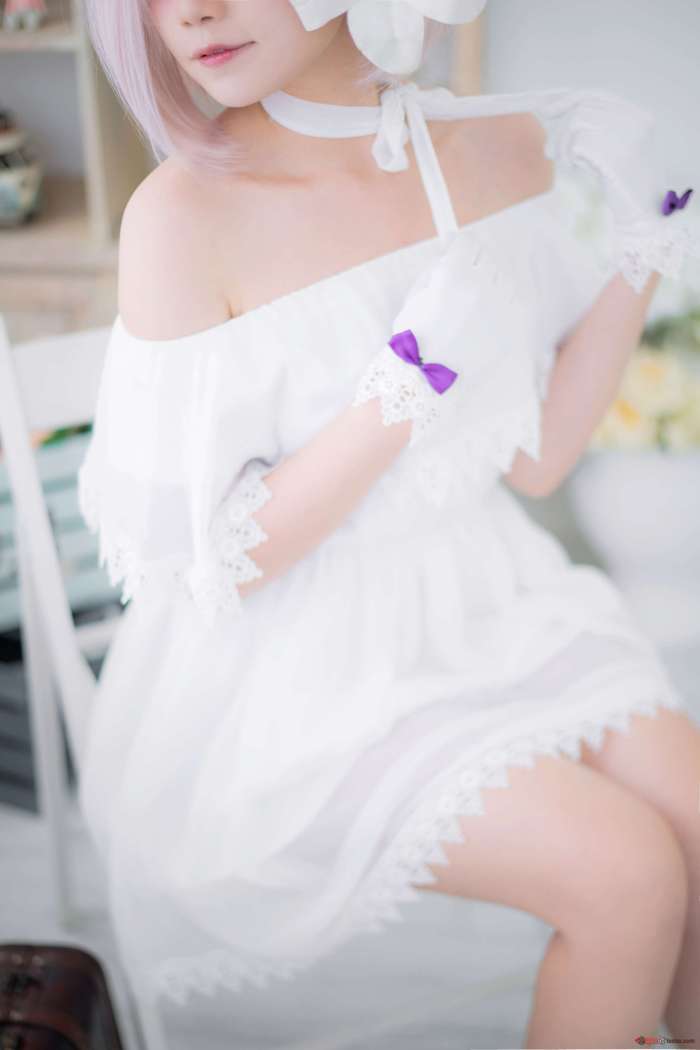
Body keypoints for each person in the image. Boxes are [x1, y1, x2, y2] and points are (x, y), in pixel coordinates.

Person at [76, 1, 700, 1047]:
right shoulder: (181, 216)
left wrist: (646, 245)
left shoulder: (496, 149)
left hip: (483, 594)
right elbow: (220, 561)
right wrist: (406, 384)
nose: (188, 11)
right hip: (290, 674)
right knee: (625, 872)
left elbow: (538, 454)